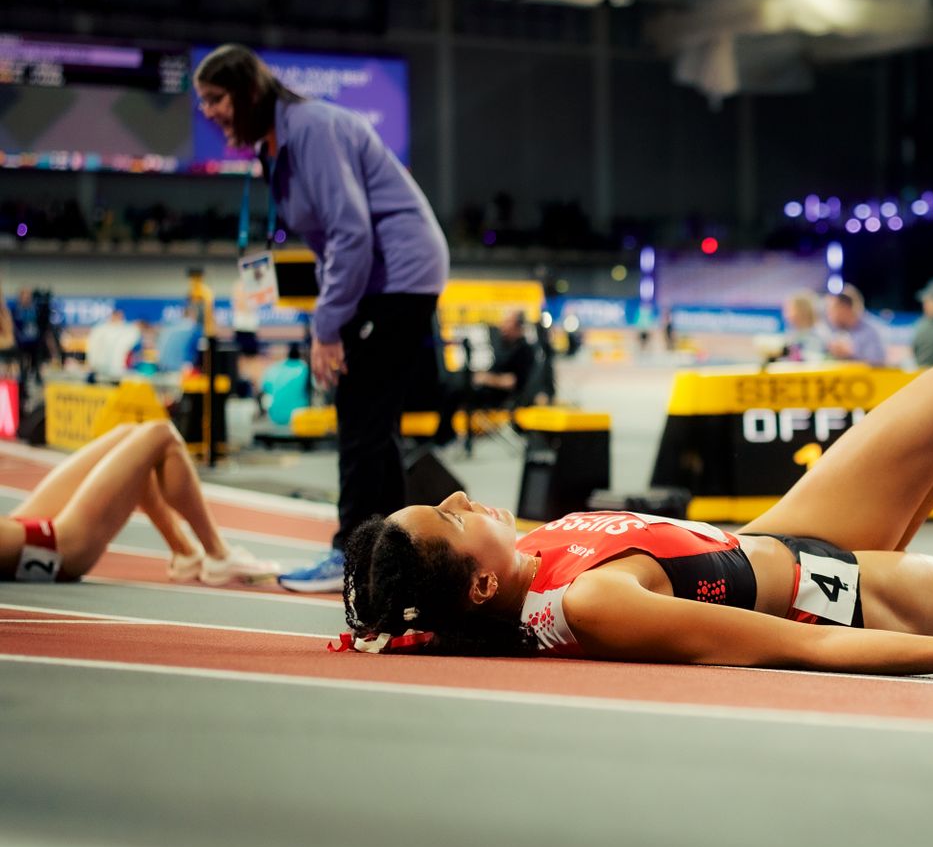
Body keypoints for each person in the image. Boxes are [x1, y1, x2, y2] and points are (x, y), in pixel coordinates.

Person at [339, 361, 933, 684]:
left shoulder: (511, 564)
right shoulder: (591, 604)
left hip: (784, 531)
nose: (462, 498)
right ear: (484, 581)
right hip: (849, 597)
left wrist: (393, 619)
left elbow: (418, 610)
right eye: (452, 518)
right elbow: (798, 650)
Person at [193, 44, 449, 594]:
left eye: (216, 99)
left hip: (397, 276)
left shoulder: (311, 127)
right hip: (388, 280)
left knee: (358, 414)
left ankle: (351, 555)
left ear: (250, 92)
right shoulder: (277, 144)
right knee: (374, 425)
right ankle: (397, 558)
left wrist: (327, 326)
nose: (208, 112)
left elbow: (351, 232)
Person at [2, 421, 277, 586]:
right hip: (57, 547)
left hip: (20, 528)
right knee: (161, 435)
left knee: (129, 435)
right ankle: (218, 556)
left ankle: (186, 554)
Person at [435, 310, 535, 448]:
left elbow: (511, 381)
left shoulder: (524, 350)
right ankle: (445, 434)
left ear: (517, 326)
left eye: (507, 323)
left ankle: (443, 437)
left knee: (454, 392)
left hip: (500, 396)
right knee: (450, 388)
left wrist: (484, 378)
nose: (503, 326)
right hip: (490, 391)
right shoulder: (507, 347)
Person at [824, 286, 888, 366]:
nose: (829, 315)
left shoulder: (870, 331)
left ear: (845, 308)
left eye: (832, 310)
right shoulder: (835, 330)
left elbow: (878, 362)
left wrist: (850, 353)